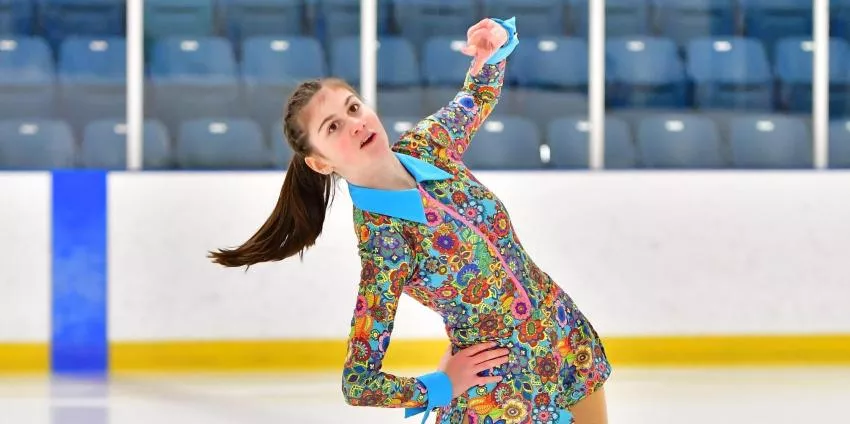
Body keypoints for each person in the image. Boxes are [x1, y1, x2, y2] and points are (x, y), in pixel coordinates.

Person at [209, 16, 611, 424]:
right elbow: (358, 382)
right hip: (500, 387)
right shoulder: (383, 242)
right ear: (320, 162)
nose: (355, 124)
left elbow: (477, 95)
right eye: (334, 127)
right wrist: (441, 387)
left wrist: (492, 51)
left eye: (353, 108)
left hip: (562, 336)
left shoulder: (427, 146)